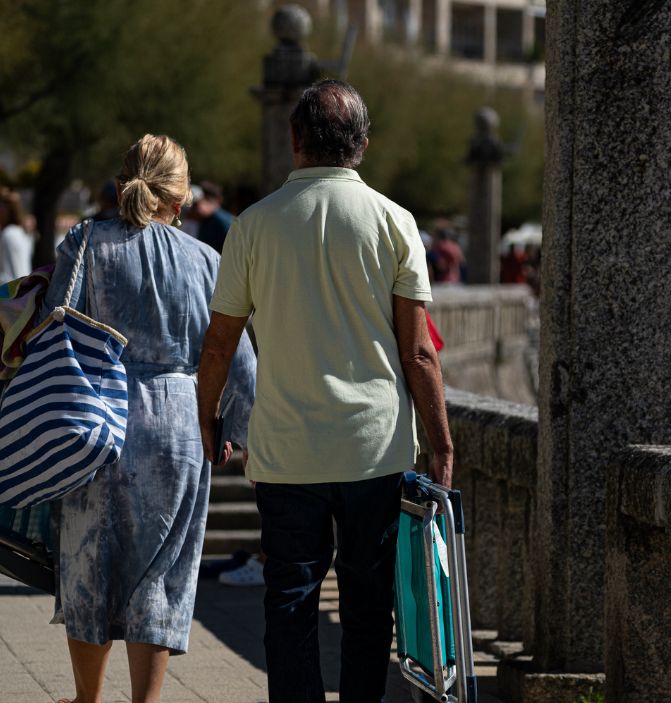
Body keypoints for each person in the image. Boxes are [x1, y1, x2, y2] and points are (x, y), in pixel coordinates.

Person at [197, 80, 452, 702]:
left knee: (289, 601)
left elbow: (220, 343)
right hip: (375, 448)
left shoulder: (251, 226)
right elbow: (419, 350)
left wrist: (209, 417)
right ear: (363, 144)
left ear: (294, 141)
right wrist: (441, 442)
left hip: (287, 452)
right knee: (368, 609)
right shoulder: (395, 222)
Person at [47, 135, 256, 703]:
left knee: (90, 558)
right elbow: (236, 355)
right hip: (178, 421)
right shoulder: (207, 260)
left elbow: (52, 325)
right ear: (181, 200)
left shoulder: (86, 244)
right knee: (159, 573)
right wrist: (231, 426)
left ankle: (87, 699)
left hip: (96, 414)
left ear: (121, 186)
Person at [0, 189, 34, 293]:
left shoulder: (11, 235)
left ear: (7, 209)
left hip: (5, 307)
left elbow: (16, 278)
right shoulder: (5, 235)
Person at [193, 181, 233, 254]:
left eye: (206, 200)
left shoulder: (223, 222)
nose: (198, 207)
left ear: (218, 200)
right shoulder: (205, 220)